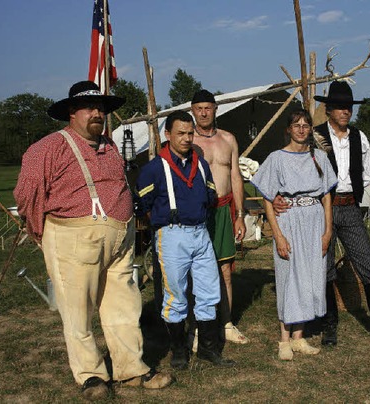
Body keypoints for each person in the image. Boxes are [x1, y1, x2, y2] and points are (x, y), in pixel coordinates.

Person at [14, 81, 173, 401]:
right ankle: (91, 375)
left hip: (119, 241)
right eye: (90, 108)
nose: (98, 113)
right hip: (73, 239)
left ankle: (131, 369)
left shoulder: (110, 146)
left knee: (124, 307)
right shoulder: (47, 148)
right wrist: (43, 236)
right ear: (72, 113)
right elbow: (27, 196)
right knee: (78, 311)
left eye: (101, 108)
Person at [274, 81, 370, 348]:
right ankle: (329, 326)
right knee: (325, 267)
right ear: (330, 109)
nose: (346, 111)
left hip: (351, 207)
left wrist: (352, 188)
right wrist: (280, 195)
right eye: (340, 107)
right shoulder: (314, 136)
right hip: (322, 209)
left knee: (368, 264)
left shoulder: (360, 137)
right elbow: (293, 164)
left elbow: (369, 173)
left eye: (349, 107)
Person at [135, 110, 235, 369]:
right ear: (167, 135)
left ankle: (207, 348)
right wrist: (164, 227)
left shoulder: (200, 165)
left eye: (190, 133)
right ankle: (178, 350)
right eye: (181, 133)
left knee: (208, 291)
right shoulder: (154, 169)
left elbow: (212, 197)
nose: (187, 138)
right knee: (175, 294)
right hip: (172, 235)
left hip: (200, 233)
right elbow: (143, 207)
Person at [251, 109, 337, 360]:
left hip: (314, 221)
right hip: (288, 221)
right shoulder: (276, 159)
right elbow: (267, 198)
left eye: (306, 125)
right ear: (288, 129)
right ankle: (284, 340)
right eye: (296, 125)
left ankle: (299, 337)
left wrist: (327, 232)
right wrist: (277, 235)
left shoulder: (319, 157)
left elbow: (327, 196)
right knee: (289, 277)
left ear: (311, 129)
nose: (301, 129)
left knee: (310, 276)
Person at [190, 89, 249, 344]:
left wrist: (240, 215)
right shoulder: (186, 140)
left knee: (225, 269)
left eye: (208, 107)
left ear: (215, 109)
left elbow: (236, 176)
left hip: (225, 209)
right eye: (199, 108)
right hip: (198, 213)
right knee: (195, 270)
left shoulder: (228, 139)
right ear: (193, 111)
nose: (204, 112)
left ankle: (226, 323)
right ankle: (193, 328)